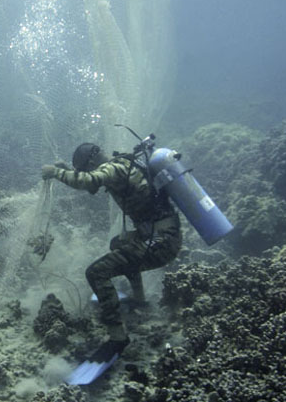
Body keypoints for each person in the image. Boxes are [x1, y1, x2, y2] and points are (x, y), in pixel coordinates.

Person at [41, 142, 181, 347]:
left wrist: (55, 172)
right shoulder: (122, 163)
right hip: (164, 234)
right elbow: (92, 185)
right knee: (117, 244)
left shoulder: (113, 168)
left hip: (161, 243)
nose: (87, 172)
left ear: (91, 160)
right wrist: (67, 171)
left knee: (96, 272)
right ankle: (139, 299)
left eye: (85, 168)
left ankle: (117, 336)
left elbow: (88, 181)